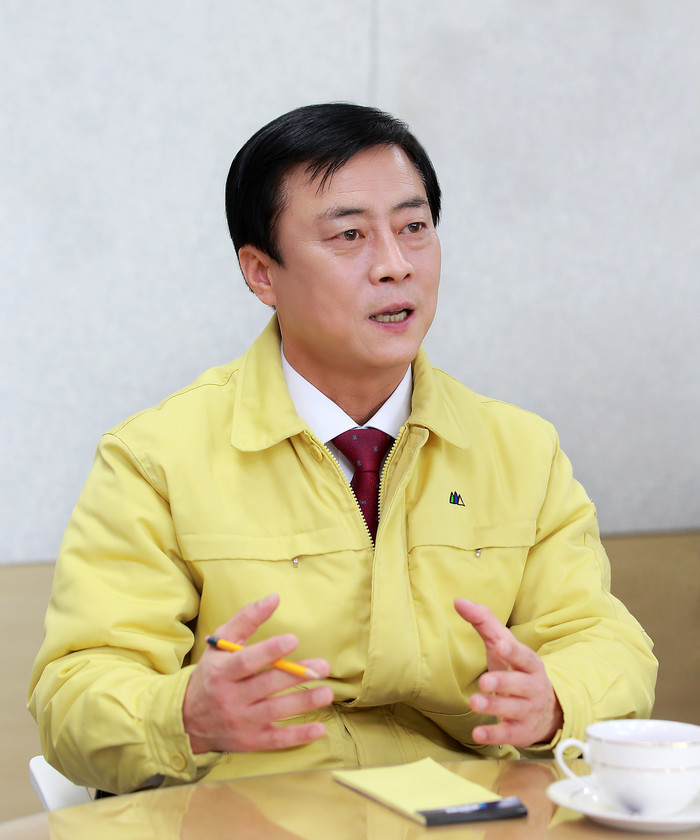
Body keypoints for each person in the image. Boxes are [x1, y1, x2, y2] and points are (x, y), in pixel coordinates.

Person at [29, 103, 657, 794]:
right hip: (253, 816)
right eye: (349, 235)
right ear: (262, 273)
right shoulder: (156, 459)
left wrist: (556, 699)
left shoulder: (521, 450)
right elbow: (74, 694)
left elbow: (604, 641)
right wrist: (185, 715)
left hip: (471, 815)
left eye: (414, 228)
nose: (395, 265)